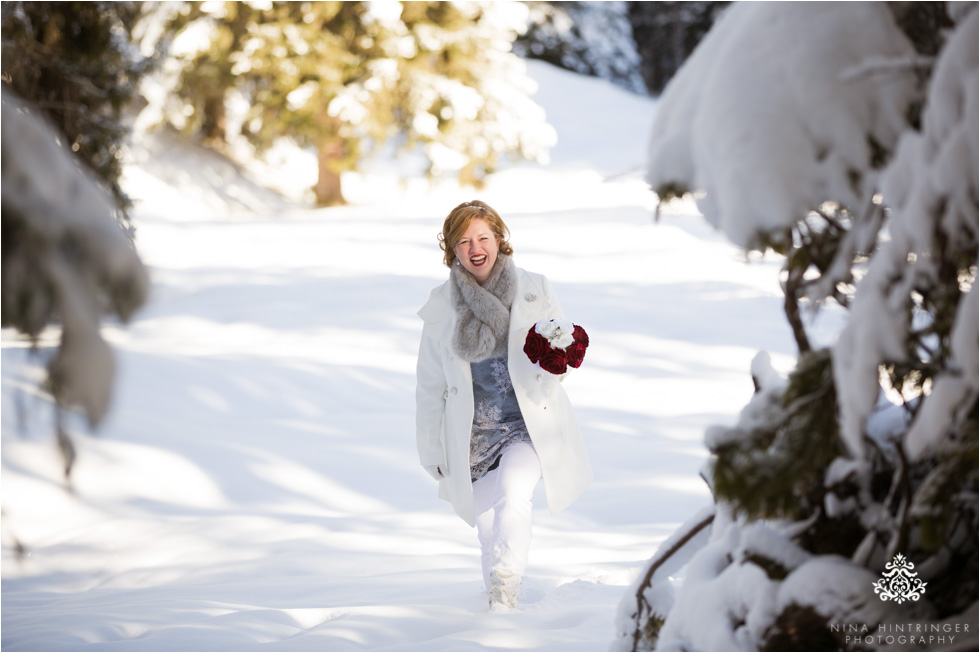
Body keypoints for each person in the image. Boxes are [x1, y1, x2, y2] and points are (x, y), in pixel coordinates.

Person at [415, 200, 593, 610]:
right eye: (463, 241)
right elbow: (429, 386)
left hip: (525, 427)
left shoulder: (535, 288)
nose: (475, 248)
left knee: (514, 495)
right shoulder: (441, 307)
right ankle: (497, 615)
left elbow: (560, 356)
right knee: (488, 532)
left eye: (482, 237)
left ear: (498, 239)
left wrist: (554, 360)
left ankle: (506, 589)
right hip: (471, 437)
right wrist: (431, 448)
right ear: (452, 250)